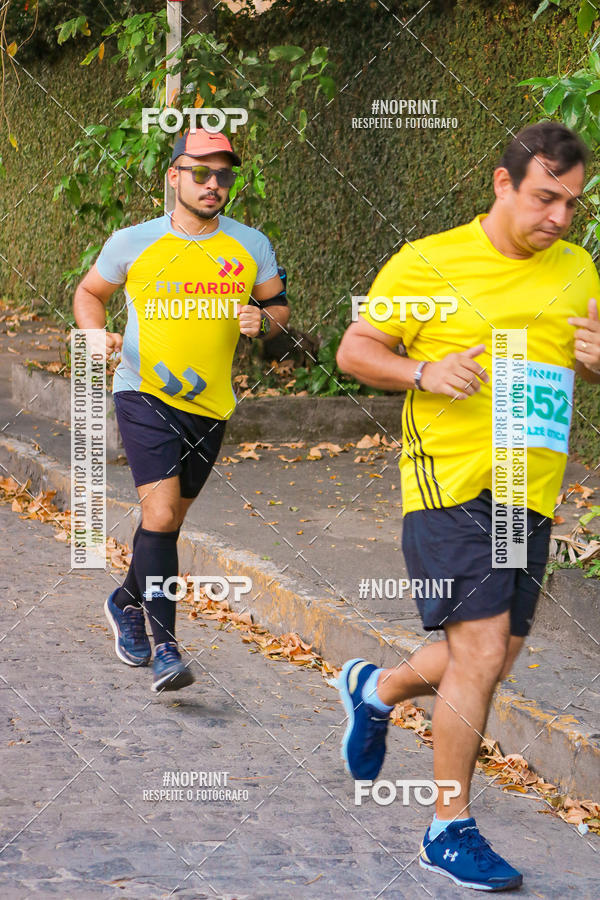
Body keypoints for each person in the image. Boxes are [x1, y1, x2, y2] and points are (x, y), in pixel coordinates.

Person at [335, 121, 600, 891]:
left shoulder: (579, 268)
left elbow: (582, 363)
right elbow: (356, 350)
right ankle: (447, 828)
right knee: (481, 655)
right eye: (545, 197)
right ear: (502, 183)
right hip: (450, 484)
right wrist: (422, 372)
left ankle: (373, 689)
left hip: (530, 491)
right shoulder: (430, 261)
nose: (558, 217)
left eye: (572, 204)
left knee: (494, 660)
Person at [73, 128, 289, 693]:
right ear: (174, 177)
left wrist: (264, 322)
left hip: (211, 403)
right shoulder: (133, 241)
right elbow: (88, 292)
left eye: (223, 175)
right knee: (163, 516)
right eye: (201, 172)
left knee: (162, 525)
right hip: (142, 392)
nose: (214, 184)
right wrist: (94, 335)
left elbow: (279, 309)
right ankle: (166, 648)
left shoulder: (250, 244)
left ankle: (124, 600)